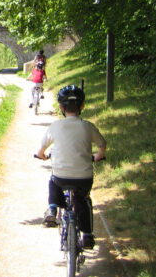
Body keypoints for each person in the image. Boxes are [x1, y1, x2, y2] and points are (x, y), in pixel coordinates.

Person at [35, 85, 106, 249]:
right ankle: (87, 235)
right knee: (84, 199)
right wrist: (97, 156)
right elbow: (102, 145)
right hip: (84, 177)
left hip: (62, 176)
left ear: (61, 107)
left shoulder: (55, 126)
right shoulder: (88, 126)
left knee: (54, 180)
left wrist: (42, 155)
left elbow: (41, 150)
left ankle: (52, 209)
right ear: (82, 106)